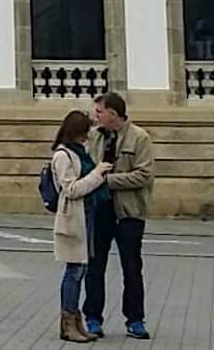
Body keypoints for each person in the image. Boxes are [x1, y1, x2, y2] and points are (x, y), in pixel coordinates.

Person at [84, 92, 155, 341]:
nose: (96, 116)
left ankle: (135, 319)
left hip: (129, 212)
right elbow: (86, 167)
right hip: (99, 211)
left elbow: (144, 175)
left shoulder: (139, 137)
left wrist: (107, 181)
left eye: (100, 112)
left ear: (113, 113)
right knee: (94, 267)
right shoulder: (93, 136)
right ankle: (92, 317)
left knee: (132, 268)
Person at [51, 110, 114, 343]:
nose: (87, 136)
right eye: (84, 132)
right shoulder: (63, 155)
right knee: (74, 271)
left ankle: (76, 321)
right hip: (72, 218)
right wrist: (97, 174)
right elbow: (71, 189)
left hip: (87, 215)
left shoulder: (79, 151)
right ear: (75, 132)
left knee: (82, 269)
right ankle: (68, 322)